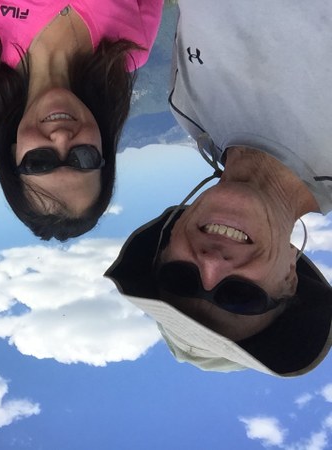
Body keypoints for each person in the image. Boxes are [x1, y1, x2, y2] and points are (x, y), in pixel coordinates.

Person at [105, 0, 332, 376]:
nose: (210, 265)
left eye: (180, 279)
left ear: (168, 241)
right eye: (240, 297)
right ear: (289, 278)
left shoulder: (189, 107)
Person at [0, 0, 163, 240]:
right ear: (102, 151)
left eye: (40, 161)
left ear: (13, 154)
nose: (61, 138)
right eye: (83, 158)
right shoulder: (130, 44)